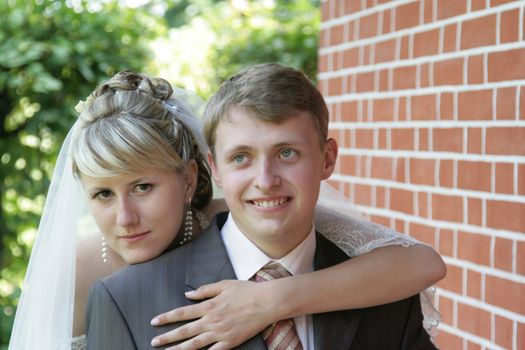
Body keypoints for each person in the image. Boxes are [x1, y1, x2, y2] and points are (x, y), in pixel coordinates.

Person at [8, 71, 443, 350]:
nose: (125, 218)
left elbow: (421, 261)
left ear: (192, 179)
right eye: (103, 194)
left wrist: (271, 299)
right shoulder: (91, 278)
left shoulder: (251, 210)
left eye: (143, 187)